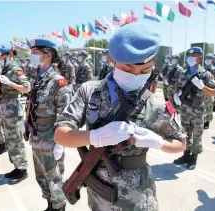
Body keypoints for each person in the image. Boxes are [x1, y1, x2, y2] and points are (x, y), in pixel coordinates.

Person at [54, 23, 186, 211]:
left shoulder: (154, 104)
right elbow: (60, 134)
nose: (136, 75)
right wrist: (95, 137)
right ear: (113, 60)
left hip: (138, 199)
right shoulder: (90, 91)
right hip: (98, 195)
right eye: (129, 69)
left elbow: (181, 144)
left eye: (145, 70)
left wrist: (157, 142)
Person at [26, 38, 72, 211]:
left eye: (35, 52)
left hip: (51, 137)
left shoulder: (57, 81)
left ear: (48, 55)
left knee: (54, 176)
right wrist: (27, 123)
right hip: (37, 134)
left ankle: (59, 206)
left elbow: (65, 114)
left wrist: (61, 141)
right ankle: (50, 205)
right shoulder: (38, 78)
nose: (32, 55)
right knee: (41, 176)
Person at [173, 47, 215, 170]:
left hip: (198, 108)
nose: (191, 57)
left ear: (200, 57)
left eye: (195, 55)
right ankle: (186, 155)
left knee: (197, 134)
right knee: (184, 132)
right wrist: (176, 95)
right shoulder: (184, 72)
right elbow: (178, 86)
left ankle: (194, 158)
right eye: (190, 55)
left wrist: (203, 87)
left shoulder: (206, 74)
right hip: (185, 107)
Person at [0, 43, 30, 184]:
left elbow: (26, 88)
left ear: (10, 55)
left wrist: (10, 83)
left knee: (16, 140)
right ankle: (17, 167)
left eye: (1, 56)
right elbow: (2, 88)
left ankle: (22, 169)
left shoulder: (15, 69)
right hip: (5, 108)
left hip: (13, 110)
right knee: (10, 140)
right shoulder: (4, 69)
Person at [204, 53, 215, 129]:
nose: (207, 60)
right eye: (206, 58)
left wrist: (214, 90)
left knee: (209, 106)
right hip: (202, 90)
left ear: (212, 60)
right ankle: (202, 120)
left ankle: (207, 122)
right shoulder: (202, 68)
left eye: (209, 59)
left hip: (210, 90)